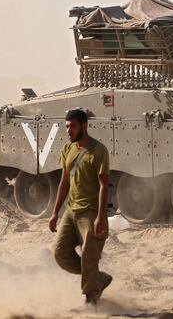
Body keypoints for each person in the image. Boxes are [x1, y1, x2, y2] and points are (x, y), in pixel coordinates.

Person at [50, 108, 112, 305]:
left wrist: (100, 217)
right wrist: (55, 212)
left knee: (89, 254)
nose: (68, 131)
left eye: (73, 126)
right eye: (67, 127)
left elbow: (104, 185)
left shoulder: (98, 150)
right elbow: (64, 183)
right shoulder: (68, 149)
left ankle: (91, 297)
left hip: (91, 212)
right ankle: (96, 277)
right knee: (59, 252)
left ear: (84, 126)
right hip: (71, 211)